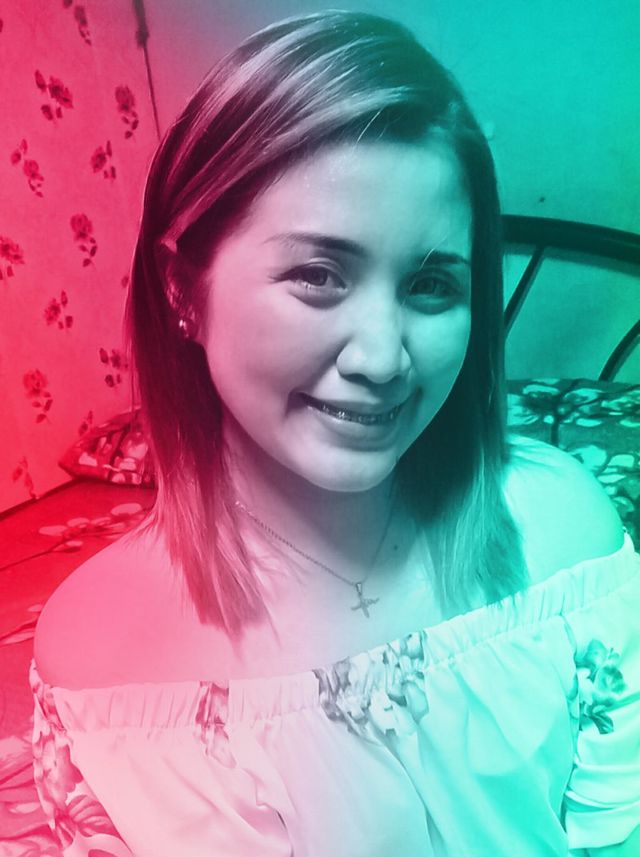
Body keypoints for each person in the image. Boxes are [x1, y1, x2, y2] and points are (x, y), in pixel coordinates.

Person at [31, 10, 639, 857]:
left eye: (431, 285)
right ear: (182, 289)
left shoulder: (565, 542)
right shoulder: (93, 653)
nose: (383, 357)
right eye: (319, 275)